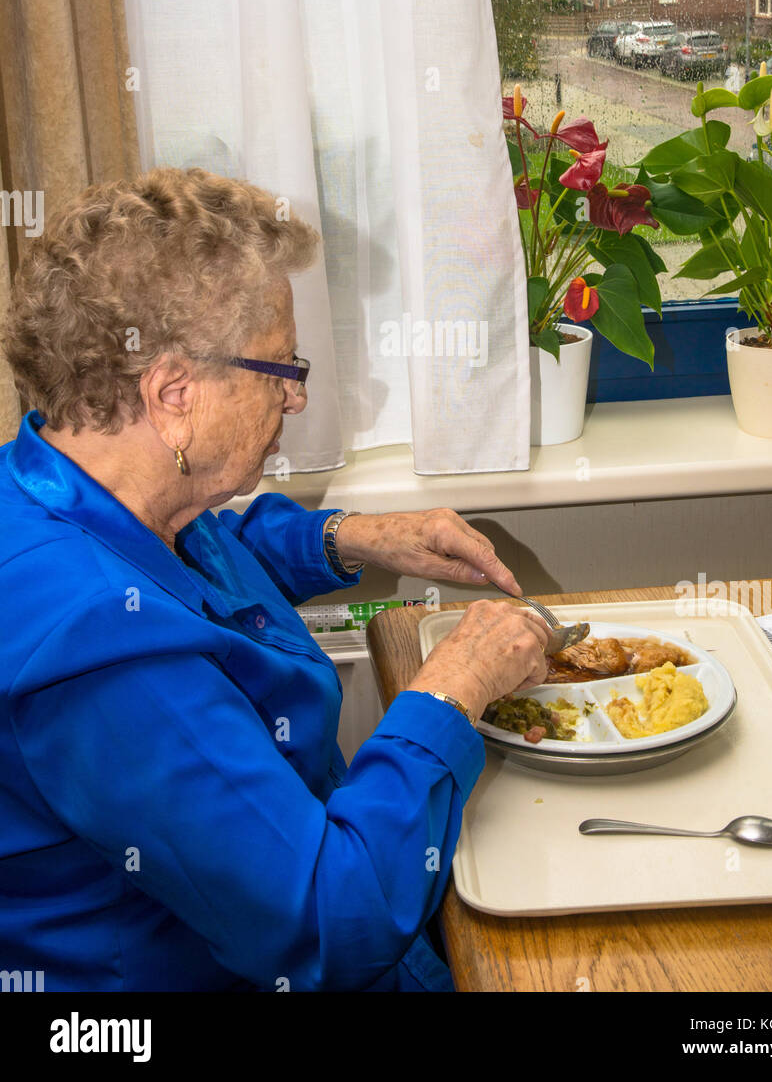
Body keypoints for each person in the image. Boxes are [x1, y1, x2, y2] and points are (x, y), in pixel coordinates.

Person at [0, 167, 550, 992]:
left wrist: (350, 537)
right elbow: (330, 926)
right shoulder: (98, 652)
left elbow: (201, 554)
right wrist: (450, 693)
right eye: (281, 370)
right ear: (174, 394)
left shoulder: (70, 479)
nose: (294, 400)